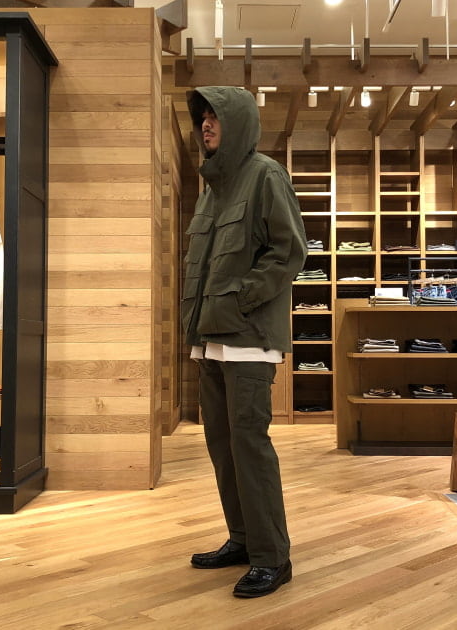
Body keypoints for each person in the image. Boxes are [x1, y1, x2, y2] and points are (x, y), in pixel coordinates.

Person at [182, 86, 307, 598]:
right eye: (202, 118)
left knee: (250, 445)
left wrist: (240, 299)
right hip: (210, 338)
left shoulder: (266, 175)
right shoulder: (212, 188)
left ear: (239, 122)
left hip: (249, 338)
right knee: (222, 444)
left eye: (216, 116)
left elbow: (289, 251)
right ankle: (243, 539)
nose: (206, 125)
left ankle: (273, 557)